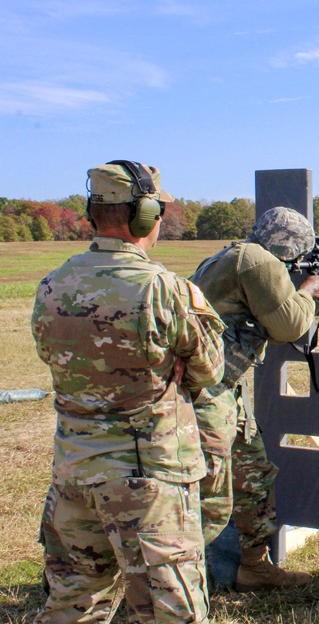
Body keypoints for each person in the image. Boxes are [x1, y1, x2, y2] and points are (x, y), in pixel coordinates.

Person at [31, 161, 226, 623]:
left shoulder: (53, 284)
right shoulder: (164, 289)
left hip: (72, 475)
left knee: (72, 606)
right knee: (170, 612)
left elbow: (55, 359)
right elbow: (210, 369)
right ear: (146, 216)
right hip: (147, 482)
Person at [190, 206, 319, 591]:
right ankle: (193, 577)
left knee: (254, 475)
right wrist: (310, 290)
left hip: (218, 388)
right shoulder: (257, 261)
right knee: (210, 489)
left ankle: (253, 567)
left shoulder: (234, 255)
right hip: (204, 392)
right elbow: (288, 325)